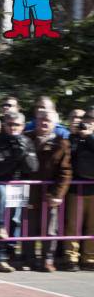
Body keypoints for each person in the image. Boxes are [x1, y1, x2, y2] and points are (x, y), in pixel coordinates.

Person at [0, 111, 38, 272]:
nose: (13, 128)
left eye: (17, 125)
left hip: (18, 185)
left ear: (22, 126)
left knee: (16, 221)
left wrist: (24, 155)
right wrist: (14, 158)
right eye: (10, 124)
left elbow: (33, 168)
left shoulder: (27, 141)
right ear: (4, 125)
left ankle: (11, 254)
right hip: (1, 184)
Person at [23, 110, 71, 272]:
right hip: (28, 190)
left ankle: (47, 259)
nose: (44, 123)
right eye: (41, 119)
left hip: (50, 193)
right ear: (35, 121)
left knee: (50, 227)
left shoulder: (62, 143)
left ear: (55, 123)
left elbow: (65, 171)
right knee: (28, 226)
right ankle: (28, 258)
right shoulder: (26, 137)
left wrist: (58, 194)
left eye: (48, 120)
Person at [62, 107, 94, 271]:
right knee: (73, 225)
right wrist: (77, 137)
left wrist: (89, 137)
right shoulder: (74, 138)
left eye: (92, 120)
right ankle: (71, 257)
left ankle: (89, 257)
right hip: (77, 186)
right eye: (87, 119)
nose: (88, 122)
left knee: (92, 226)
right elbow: (69, 156)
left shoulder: (90, 138)